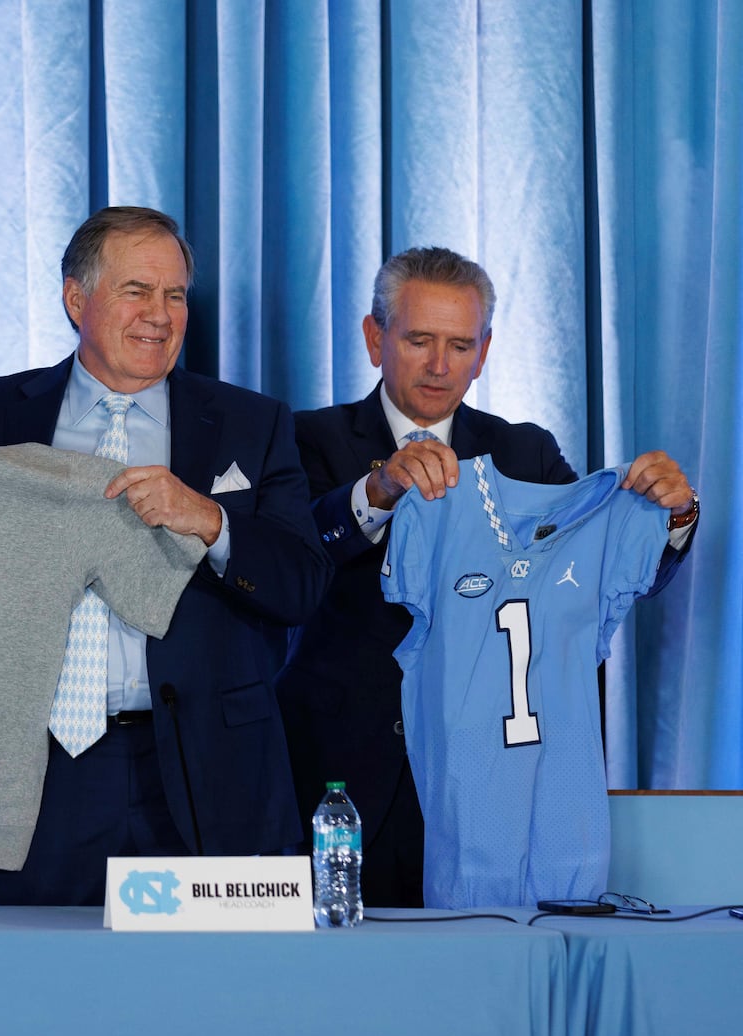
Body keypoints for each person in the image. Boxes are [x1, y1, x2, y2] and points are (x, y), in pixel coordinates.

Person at [277, 246, 697, 907]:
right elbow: (288, 557)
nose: (440, 365)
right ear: (373, 336)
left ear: (487, 348)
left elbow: (605, 572)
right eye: (419, 340)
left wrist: (670, 520)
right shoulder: (304, 438)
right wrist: (379, 490)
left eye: (460, 344)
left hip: (489, 786)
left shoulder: (526, 451)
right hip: (341, 778)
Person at [0, 206, 331, 905]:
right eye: (137, 291)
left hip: (210, 772)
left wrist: (211, 521)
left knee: (211, 1006)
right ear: (75, 299)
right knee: (40, 999)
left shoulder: (252, 421)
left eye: (175, 294)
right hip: (42, 774)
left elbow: (302, 583)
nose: (161, 314)